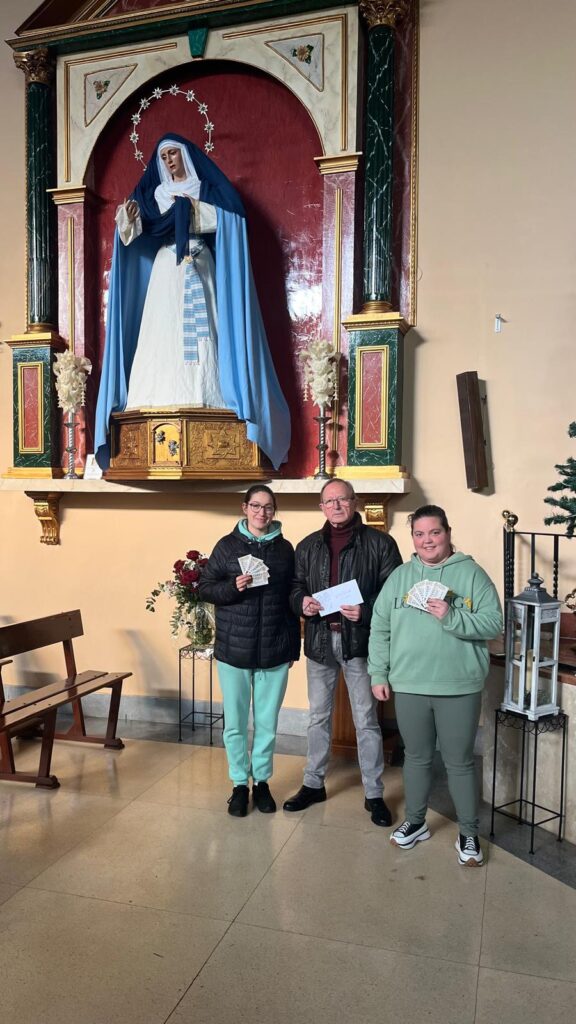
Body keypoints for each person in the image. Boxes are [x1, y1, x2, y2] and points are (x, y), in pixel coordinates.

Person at [94, 133, 290, 471]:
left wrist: (192, 210)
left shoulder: (205, 189)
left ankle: (211, 401)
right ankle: (158, 403)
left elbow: (231, 220)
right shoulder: (155, 195)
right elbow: (131, 236)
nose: (169, 161)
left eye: (173, 154)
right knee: (163, 333)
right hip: (167, 270)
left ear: (185, 155)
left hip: (200, 264)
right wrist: (128, 219)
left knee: (207, 336)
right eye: (163, 157)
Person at [368, 504, 503, 866]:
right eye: (419, 534)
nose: (427, 540)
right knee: (416, 757)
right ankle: (416, 822)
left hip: (459, 685)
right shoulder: (400, 578)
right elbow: (380, 628)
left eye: (434, 532)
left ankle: (469, 833)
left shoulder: (472, 575)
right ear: (412, 538)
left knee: (459, 762)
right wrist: (378, 674)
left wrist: (452, 615)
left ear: (447, 533)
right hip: (410, 684)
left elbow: (494, 623)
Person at [284, 479, 402, 825]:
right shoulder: (307, 545)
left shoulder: (380, 544)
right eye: (329, 501)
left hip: (360, 643)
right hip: (320, 641)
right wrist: (301, 602)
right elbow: (295, 587)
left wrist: (365, 612)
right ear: (321, 507)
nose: (336, 506)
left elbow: (394, 592)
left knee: (366, 720)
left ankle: (374, 793)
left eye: (343, 499)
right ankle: (313, 784)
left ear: (355, 502)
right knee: (317, 717)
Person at [199, 485, 301, 817]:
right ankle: (240, 785)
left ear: (274, 511)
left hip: (275, 649)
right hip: (234, 650)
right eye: (255, 506)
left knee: (267, 724)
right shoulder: (226, 546)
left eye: (268, 507)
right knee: (235, 724)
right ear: (244, 508)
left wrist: (292, 647)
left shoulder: (285, 549)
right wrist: (232, 587)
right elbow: (205, 588)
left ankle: (263, 783)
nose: (262, 512)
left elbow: (292, 598)